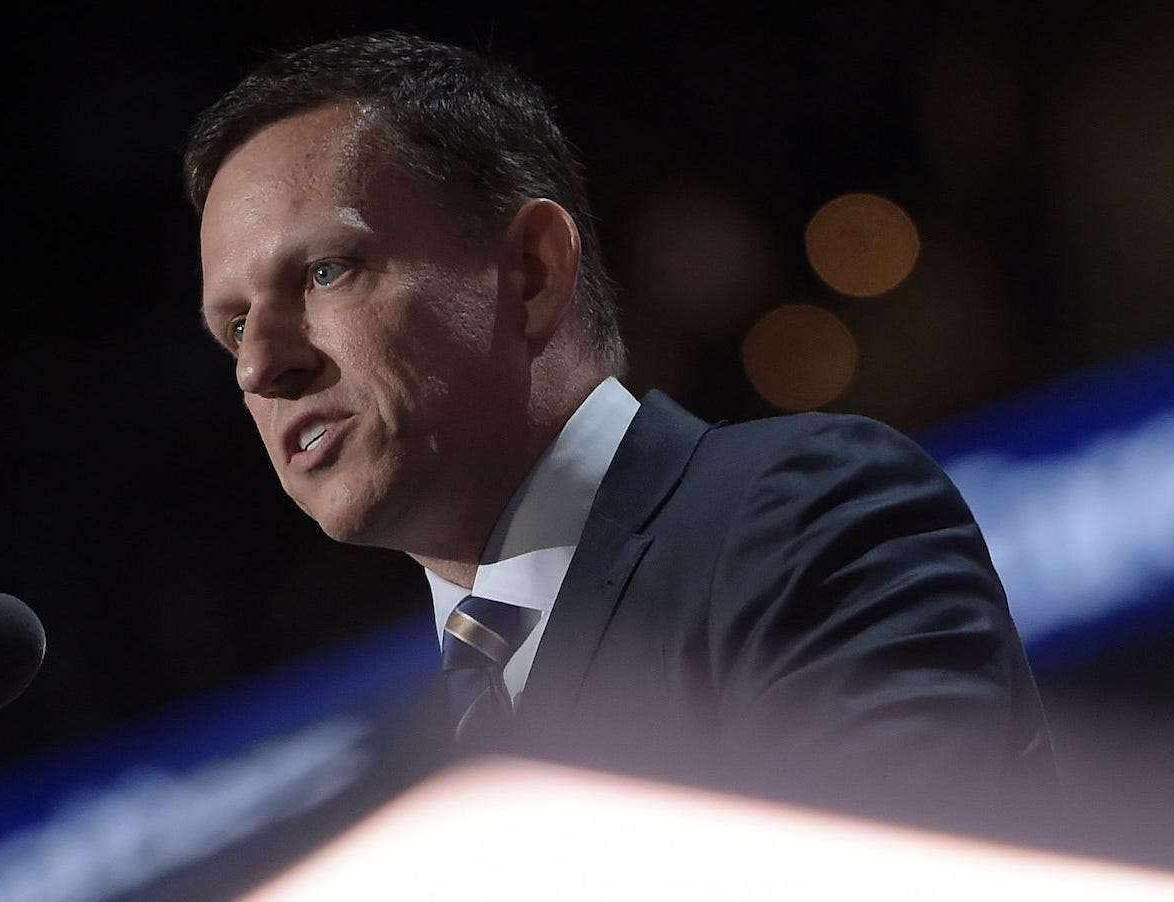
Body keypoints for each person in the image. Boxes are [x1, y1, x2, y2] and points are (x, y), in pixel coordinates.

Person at [185, 31, 1055, 826]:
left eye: (327, 272)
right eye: (231, 328)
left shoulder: (799, 515)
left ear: (531, 271)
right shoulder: (408, 771)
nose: (261, 364)